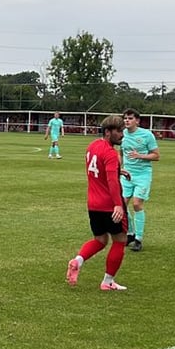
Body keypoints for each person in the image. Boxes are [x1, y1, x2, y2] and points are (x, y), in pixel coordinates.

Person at [66, 115, 129, 291]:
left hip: (93, 204)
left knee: (100, 240)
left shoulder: (92, 146)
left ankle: (77, 261)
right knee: (120, 240)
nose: (122, 135)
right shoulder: (111, 153)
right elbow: (111, 181)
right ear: (108, 132)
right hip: (109, 204)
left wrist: (118, 170)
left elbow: (99, 169)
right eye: (119, 131)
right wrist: (118, 204)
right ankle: (108, 282)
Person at [120, 108, 160, 252]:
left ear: (137, 120)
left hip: (142, 175)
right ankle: (130, 234)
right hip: (126, 175)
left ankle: (139, 238)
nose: (127, 120)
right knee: (122, 205)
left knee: (137, 204)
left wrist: (140, 156)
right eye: (125, 118)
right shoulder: (122, 134)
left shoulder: (146, 135)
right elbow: (121, 152)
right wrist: (120, 167)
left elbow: (156, 155)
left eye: (130, 118)